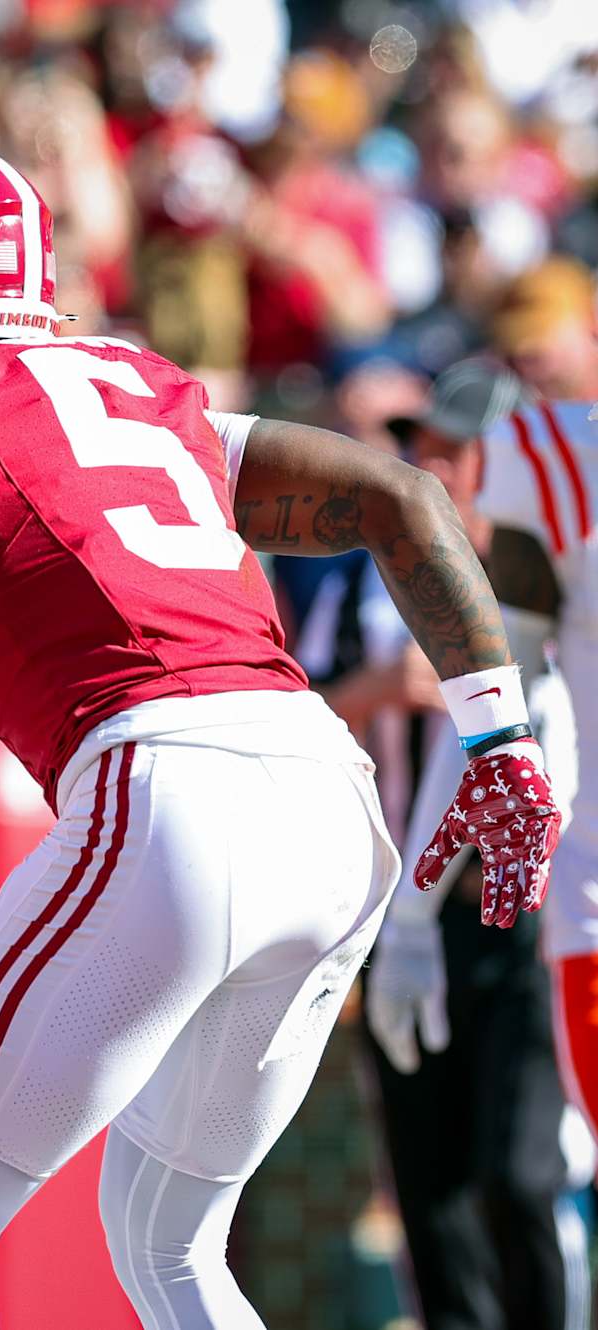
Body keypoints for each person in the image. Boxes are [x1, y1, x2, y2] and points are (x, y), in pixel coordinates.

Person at [0, 139, 561, 1330]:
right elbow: (405, 497)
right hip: (327, 803)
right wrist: (504, 739)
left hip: (163, 786)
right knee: (173, 1244)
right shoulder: (143, 382)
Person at [363, 358, 588, 1330]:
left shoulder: (554, 466)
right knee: (449, 1186)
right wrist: (410, 912)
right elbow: (494, 728)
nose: (442, 470)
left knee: (521, 1175)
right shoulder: (520, 525)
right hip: (531, 903)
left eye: (461, 452)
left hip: (547, 904)